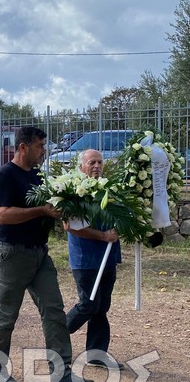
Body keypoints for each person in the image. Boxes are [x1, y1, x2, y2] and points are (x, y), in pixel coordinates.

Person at [0, 126, 92, 382]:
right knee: (7, 312)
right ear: (23, 147)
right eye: (40, 146)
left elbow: (47, 207)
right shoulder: (5, 176)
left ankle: (61, 371)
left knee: (54, 310)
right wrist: (40, 210)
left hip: (38, 253)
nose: (44, 151)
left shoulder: (36, 175)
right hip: (12, 253)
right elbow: (2, 215)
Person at [64, 149, 124, 370]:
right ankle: (57, 334)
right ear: (82, 166)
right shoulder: (73, 192)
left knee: (102, 307)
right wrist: (103, 236)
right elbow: (70, 226)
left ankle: (97, 354)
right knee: (89, 304)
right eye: (92, 162)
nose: (97, 166)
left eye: (100, 162)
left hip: (108, 256)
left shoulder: (110, 188)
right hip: (85, 259)